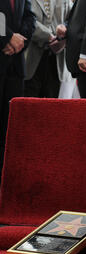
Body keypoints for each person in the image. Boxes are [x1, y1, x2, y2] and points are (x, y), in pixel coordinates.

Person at [0, 0, 35, 184]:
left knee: (11, 131)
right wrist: (7, 37)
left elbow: (30, 16)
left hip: (15, 67)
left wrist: (19, 40)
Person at [24, 0, 73, 98]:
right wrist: (48, 36)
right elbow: (25, 19)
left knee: (52, 107)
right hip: (31, 58)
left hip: (56, 61)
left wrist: (64, 30)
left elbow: (73, 19)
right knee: (29, 106)